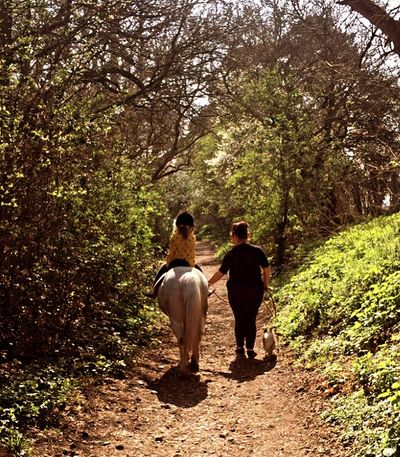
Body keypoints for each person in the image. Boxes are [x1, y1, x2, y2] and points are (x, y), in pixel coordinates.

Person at [208, 221, 271, 359]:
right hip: (255, 291)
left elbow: (221, 273)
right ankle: (250, 349)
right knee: (251, 319)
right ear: (247, 235)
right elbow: (266, 270)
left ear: (234, 236)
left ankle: (239, 348)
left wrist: (207, 283)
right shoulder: (257, 251)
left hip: (236, 292)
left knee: (239, 318)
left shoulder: (231, 253)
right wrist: (265, 285)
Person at [147, 211, 199, 297]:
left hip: (174, 263)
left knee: (160, 273)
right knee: (200, 273)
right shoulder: (192, 237)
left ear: (178, 225)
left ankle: (154, 291)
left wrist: (167, 263)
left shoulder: (174, 237)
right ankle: (207, 289)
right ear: (191, 226)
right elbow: (191, 252)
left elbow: (172, 252)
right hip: (189, 263)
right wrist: (191, 263)